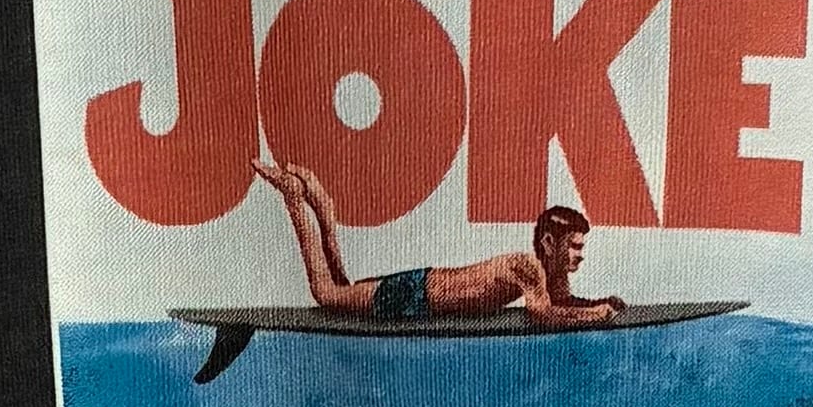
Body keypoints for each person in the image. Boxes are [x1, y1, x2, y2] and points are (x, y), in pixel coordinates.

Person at [256, 152, 624, 326]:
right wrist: (595, 315)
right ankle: (294, 199)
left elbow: (561, 301)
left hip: (422, 289)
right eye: (574, 246)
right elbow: (542, 314)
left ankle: (321, 203)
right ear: (548, 243)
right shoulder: (526, 266)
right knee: (326, 293)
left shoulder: (545, 275)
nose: (580, 255)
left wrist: (599, 302)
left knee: (342, 290)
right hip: (415, 296)